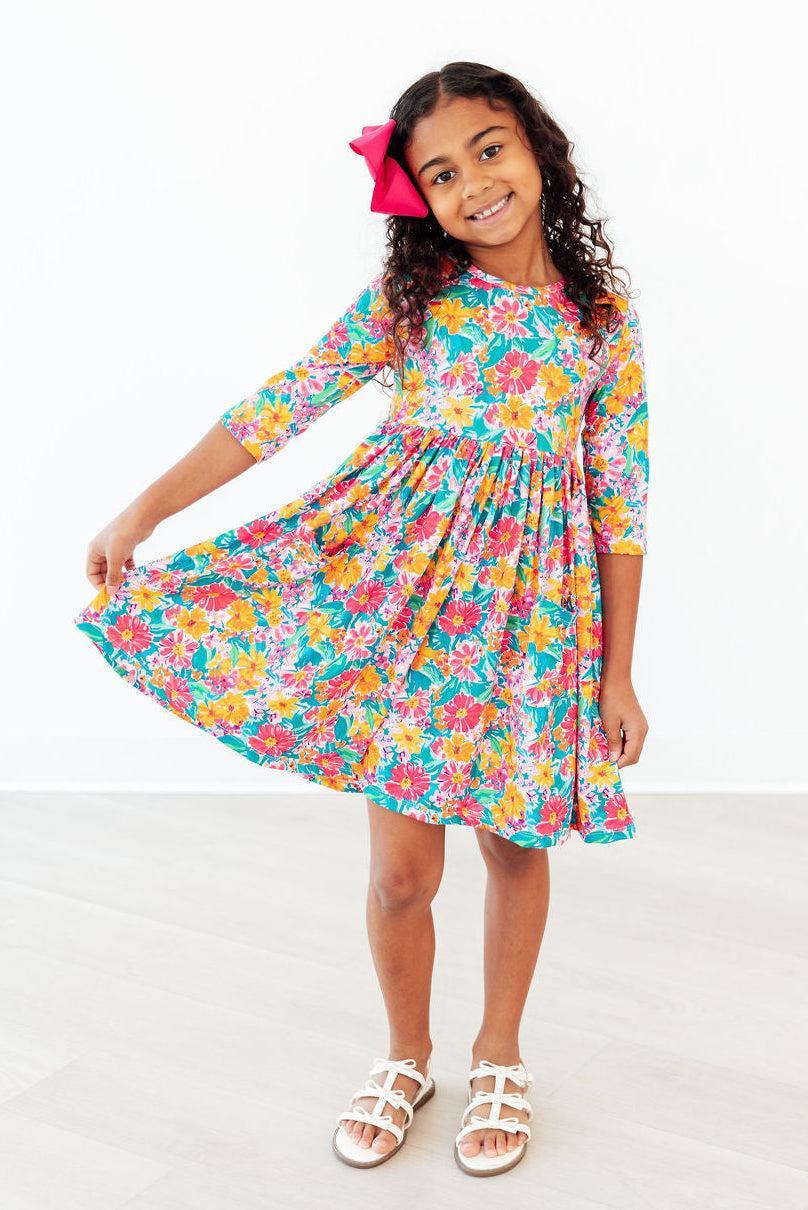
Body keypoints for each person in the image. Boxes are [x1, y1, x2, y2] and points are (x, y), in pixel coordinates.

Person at [72, 61, 650, 1177]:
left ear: (537, 148)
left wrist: (618, 672)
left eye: (489, 149)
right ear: (418, 198)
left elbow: (621, 498)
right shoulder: (415, 301)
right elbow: (277, 408)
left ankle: (498, 1055)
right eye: (440, 173)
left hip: (534, 624)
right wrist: (144, 509)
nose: (474, 183)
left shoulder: (600, 319)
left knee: (514, 846)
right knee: (400, 875)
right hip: (405, 612)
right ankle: (405, 1054)